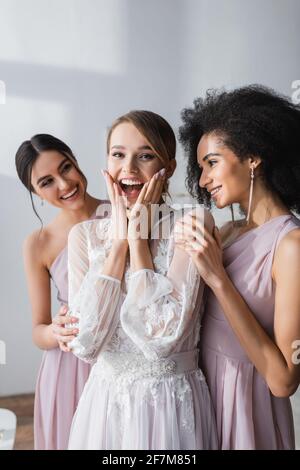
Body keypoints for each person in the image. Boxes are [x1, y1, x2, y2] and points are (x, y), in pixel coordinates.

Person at [66, 110, 218, 450]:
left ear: (170, 167)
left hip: (169, 405)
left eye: (145, 156)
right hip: (104, 404)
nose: (129, 170)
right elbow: (87, 344)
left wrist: (139, 242)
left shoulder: (193, 223)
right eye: (118, 155)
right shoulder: (84, 236)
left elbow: (161, 338)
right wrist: (120, 241)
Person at [178, 85, 300, 449]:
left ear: (253, 157)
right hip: (202, 399)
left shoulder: (291, 247)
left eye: (212, 163)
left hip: (247, 410)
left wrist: (218, 279)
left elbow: (284, 380)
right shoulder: (228, 232)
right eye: (200, 168)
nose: (202, 180)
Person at [15, 134, 103, 449]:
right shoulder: (38, 243)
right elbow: (38, 331)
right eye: (47, 182)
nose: (64, 185)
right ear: (35, 192)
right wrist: (56, 331)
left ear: (76, 161)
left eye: (66, 168)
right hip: (70, 368)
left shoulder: (123, 215)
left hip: (120, 357)